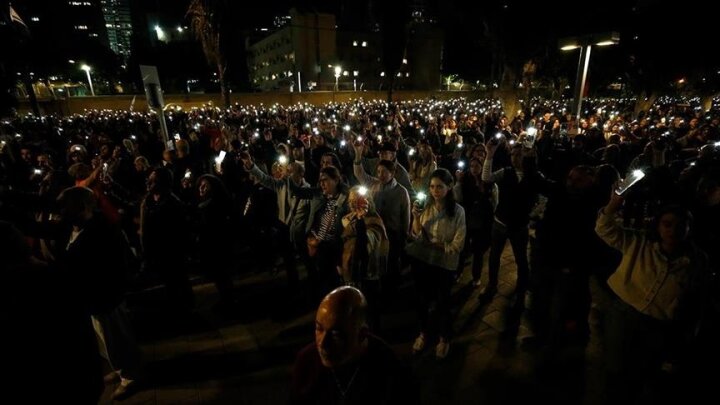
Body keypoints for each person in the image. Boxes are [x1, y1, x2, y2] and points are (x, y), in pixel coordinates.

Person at [596, 195, 708, 403]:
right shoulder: (640, 243)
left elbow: (695, 303)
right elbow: (604, 229)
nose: (672, 230)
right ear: (658, 225)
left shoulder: (695, 261)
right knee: (614, 369)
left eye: (680, 225)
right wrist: (614, 203)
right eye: (667, 224)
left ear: (689, 229)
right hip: (624, 314)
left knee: (642, 374)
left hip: (658, 326)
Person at [290, 286, 417, 405]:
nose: (322, 343)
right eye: (319, 328)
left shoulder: (390, 369)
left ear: (362, 335)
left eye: (336, 335)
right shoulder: (307, 361)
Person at [406, 169, 466, 359]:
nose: (435, 191)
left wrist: (435, 245)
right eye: (432, 187)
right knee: (422, 300)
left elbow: (458, 244)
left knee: (443, 302)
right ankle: (423, 333)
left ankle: (444, 337)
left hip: (444, 264)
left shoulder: (458, 212)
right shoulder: (426, 207)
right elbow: (417, 235)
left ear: (449, 187)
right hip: (424, 261)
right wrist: (415, 217)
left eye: (439, 187)